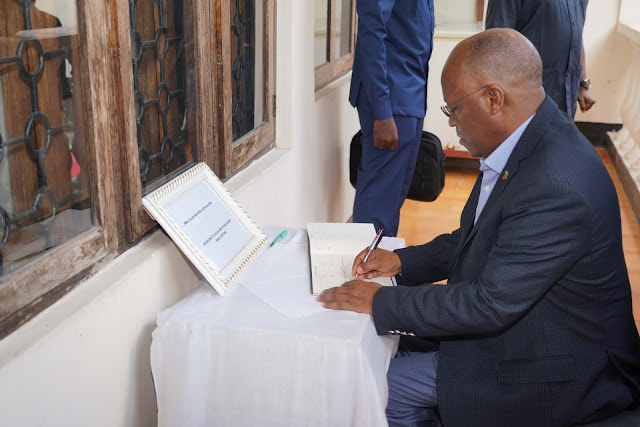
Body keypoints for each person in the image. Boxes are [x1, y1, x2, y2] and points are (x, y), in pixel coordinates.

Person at [319, 28, 640, 426]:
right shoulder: (530, 140)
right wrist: (401, 262)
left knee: (373, 388)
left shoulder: (554, 183)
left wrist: (379, 301)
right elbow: (475, 238)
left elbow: (488, 305)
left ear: (493, 98)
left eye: (453, 108)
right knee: (386, 344)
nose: (452, 123)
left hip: (555, 366)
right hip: (523, 328)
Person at [349, 0, 435, 237]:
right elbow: (371, 32)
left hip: (411, 94)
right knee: (378, 200)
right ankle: (366, 259)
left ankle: (380, 256)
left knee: (392, 198)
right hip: (391, 98)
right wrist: (382, 111)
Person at [485, 0, 596, 117]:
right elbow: (496, 41)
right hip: (525, 101)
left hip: (566, 100)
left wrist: (582, 84)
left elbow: (575, 32)